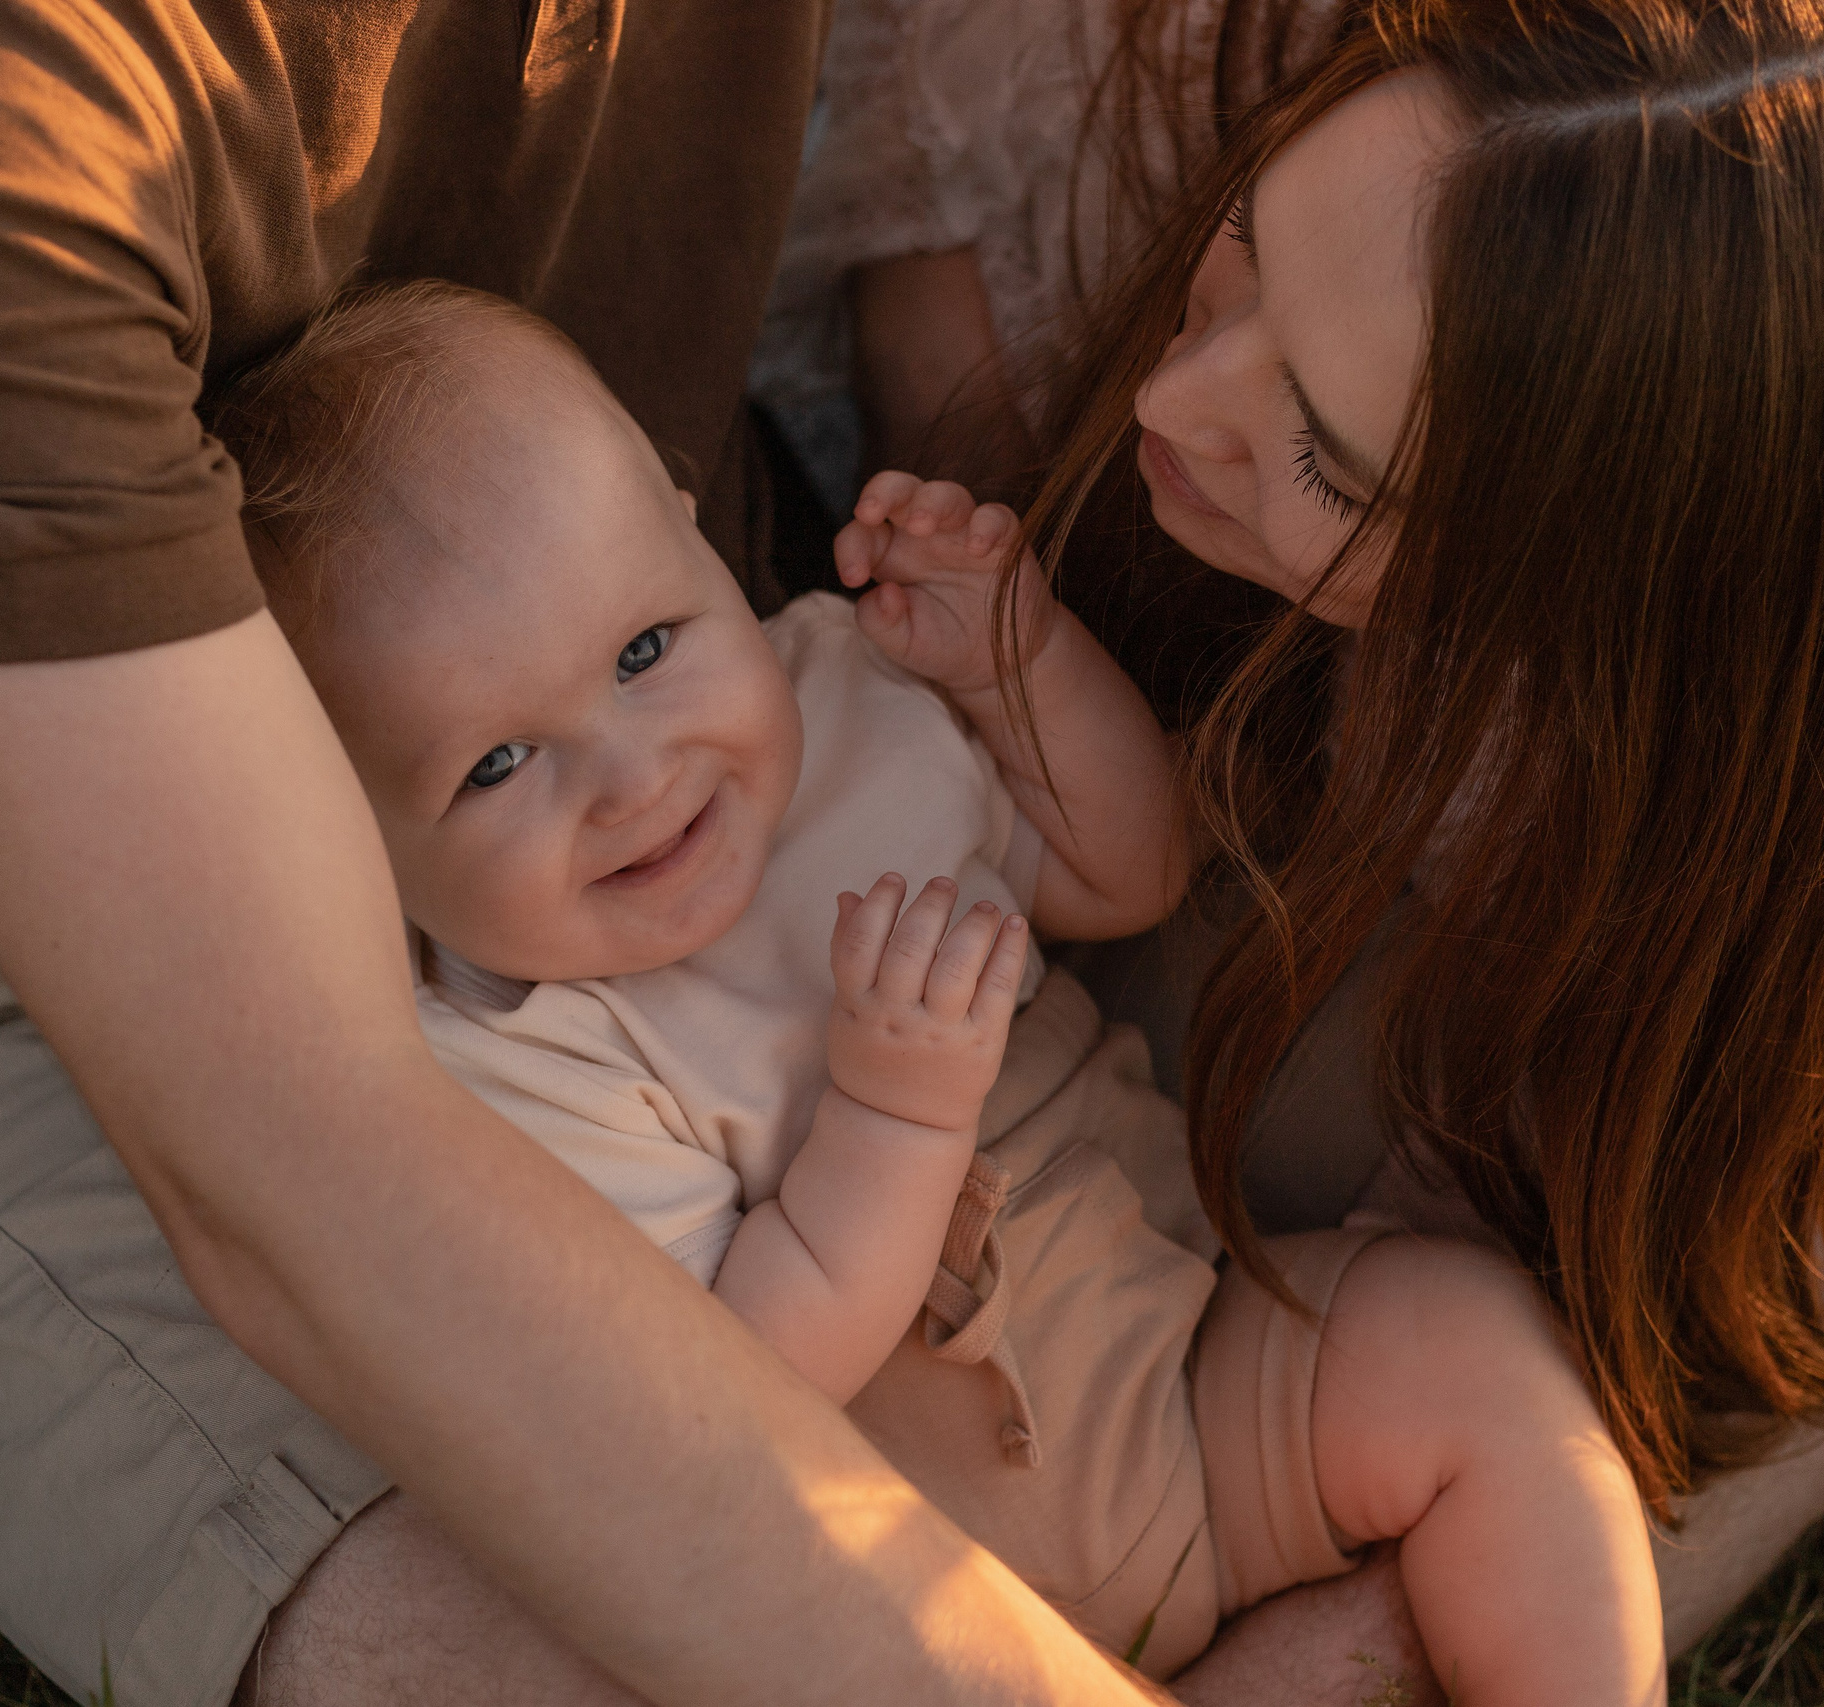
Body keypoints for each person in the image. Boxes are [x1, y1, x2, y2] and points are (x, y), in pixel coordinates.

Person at [0, 5, 1172, 1703]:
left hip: (707, 637)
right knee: (587, 1640)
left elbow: (1122, 845)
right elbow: (300, 1159)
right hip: (4, 915)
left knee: (1436, 1212)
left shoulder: (793, 700)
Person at [783, 0, 1824, 1696]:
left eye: (1328, 454)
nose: (1179, 392)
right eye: (1243, 249)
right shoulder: (1088, 156)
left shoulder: (1696, 799)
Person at [211, 277, 1667, 1701]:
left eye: (646, 651)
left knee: (1462, 1342)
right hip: (918, 1585)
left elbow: (1127, 870)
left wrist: (1018, 661)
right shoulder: (507, 1060)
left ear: (688, 524)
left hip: (1198, 1396)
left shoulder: (850, 702)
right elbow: (730, 1395)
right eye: (496, 765)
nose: (635, 778)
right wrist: (895, 1117)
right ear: (349, 831)